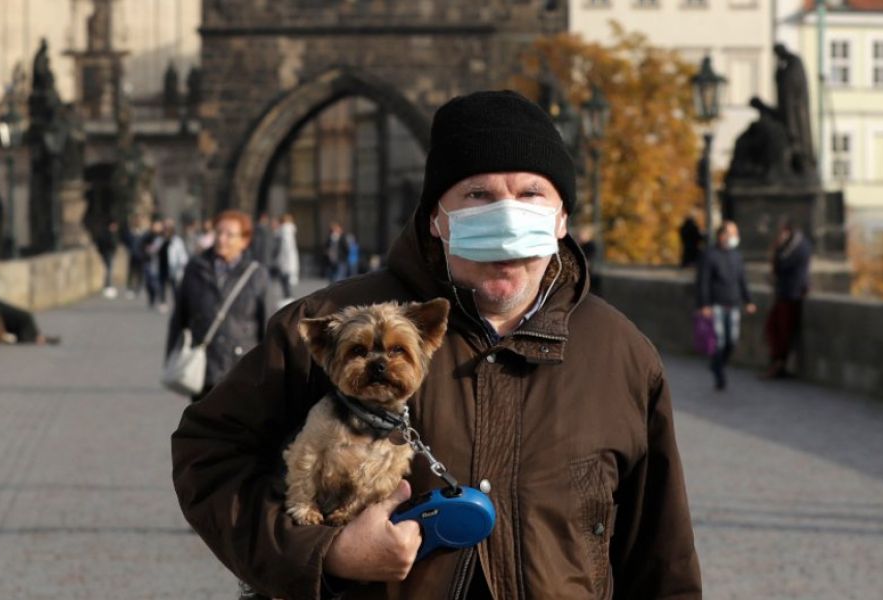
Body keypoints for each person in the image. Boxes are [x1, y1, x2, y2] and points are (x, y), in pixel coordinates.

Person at [172, 91, 700, 599]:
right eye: (478, 194)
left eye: (531, 193)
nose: (507, 215)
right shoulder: (325, 327)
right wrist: (325, 552)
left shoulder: (621, 353)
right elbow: (209, 453)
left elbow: (661, 556)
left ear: (562, 218)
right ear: (435, 219)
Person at [166, 210, 275, 404]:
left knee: (239, 431)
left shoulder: (257, 275)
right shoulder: (195, 269)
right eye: (218, 233)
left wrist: (271, 372)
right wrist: (173, 360)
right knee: (204, 430)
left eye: (229, 235)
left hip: (242, 370)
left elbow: (269, 327)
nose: (222, 239)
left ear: (244, 240)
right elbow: (179, 319)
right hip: (204, 368)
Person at [697, 220, 757, 391]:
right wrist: (704, 304)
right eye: (731, 234)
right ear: (722, 235)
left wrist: (749, 300)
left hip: (733, 303)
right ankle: (719, 374)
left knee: (732, 341)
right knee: (719, 341)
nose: (734, 237)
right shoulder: (710, 255)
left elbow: (742, 280)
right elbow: (703, 282)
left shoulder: (736, 255)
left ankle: (717, 364)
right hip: (716, 304)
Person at [764, 217, 811, 378]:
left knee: (783, 332)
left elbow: (782, 266)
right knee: (773, 328)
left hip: (792, 294)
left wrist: (777, 251)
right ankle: (777, 362)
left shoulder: (799, 247)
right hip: (784, 293)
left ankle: (780, 364)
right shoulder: (789, 247)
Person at [274, 213, 300, 301]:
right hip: (288, 259)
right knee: (286, 280)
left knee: (285, 280)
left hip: (285, 259)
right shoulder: (287, 230)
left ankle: (288, 298)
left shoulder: (284, 230)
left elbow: (285, 247)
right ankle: (288, 297)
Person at [94, 220, 121, 298]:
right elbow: (105, 244)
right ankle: (108, 286)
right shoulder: (107, 234)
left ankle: (108, 285)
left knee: (109, 269)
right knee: (109, 269)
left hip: (110, 253)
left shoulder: (113, 234)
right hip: (107, 253)